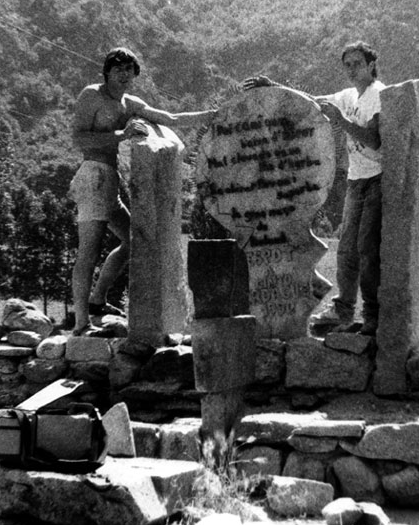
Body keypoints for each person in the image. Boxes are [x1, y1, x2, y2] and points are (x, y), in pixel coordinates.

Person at [70, 46, 216, 336]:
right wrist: (121, 135)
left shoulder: (130, 102)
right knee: (88, 252)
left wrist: (210, 115)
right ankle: (80, 322)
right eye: (118, 69)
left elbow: (170, 118)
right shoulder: (92, 95)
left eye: (129, 70)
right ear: (107, 72)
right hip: (93, 176)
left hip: (110, 181)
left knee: (132, 242)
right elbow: (79, 138)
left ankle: (98, 300)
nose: (124, 75)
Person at [245, 41, 385, 336]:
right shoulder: (348, 95)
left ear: (372, 65)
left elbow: (374, 141)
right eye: (346, 64)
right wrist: (274, 87)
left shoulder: (378, 94)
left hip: (377, 179)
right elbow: (311, 100)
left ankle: (373, 315)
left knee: (367, 250)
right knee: (347, 250)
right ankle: (343, 310)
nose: (351, 69)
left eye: (357, 63)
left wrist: (341, 121)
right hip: (356, 180)